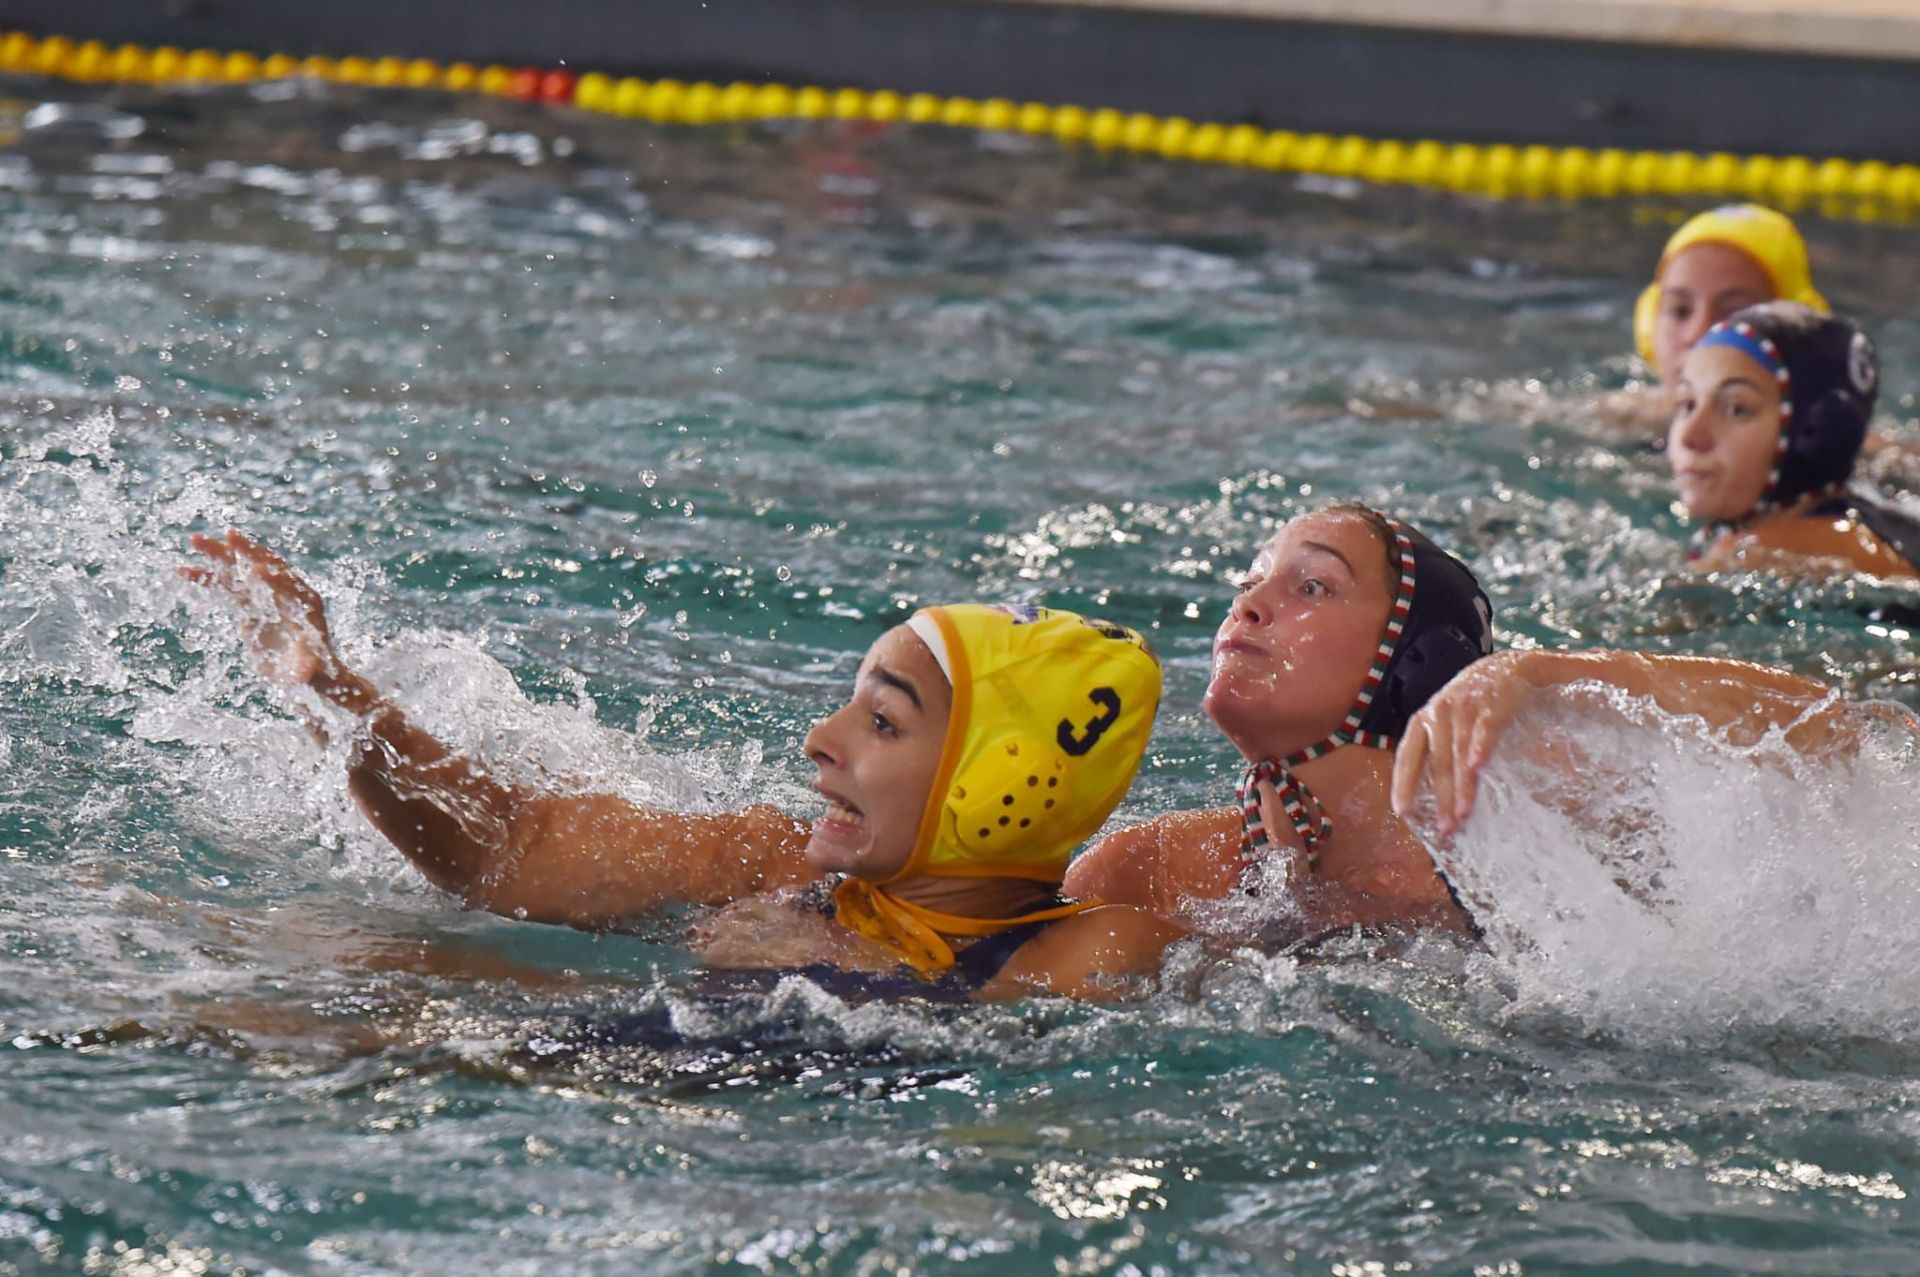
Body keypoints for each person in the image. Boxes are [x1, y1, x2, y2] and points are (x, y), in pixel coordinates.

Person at [183, 530, 1181, 1003]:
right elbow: (506, 848)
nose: (820, 737)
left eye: (880, 720)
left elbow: (1003, 1046)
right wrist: (338, 694)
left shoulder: (1098, 948)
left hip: (806, 1151)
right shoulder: (768, 859)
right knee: (327, 976)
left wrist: (847, 964)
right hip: (625, 1078)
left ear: (997, 784)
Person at [1062, 504, 1493, 942]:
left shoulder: (1504, 895)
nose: (1246, 605)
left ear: (1420, 664)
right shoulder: (1146, 874)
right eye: (1249, 583)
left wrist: (1525, 677)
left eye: (1311, 586)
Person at [1389, 646, 1914, 842]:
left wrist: (1537, 669)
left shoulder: (1521, 790)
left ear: (1405, 649)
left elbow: (1832, 731)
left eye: (1315, 587)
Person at [1668, 301, 1920, 580]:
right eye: (1687, 403)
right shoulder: (1872, 525)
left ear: (1815, 432)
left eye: (1736, 408)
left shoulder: (1759, 553)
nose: (1691, 435)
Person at [1635, 203, 1828, 395]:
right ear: (1649, 322)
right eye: (1680, 311)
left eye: (1734, 313)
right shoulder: (1618, 416)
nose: (1697, 333)